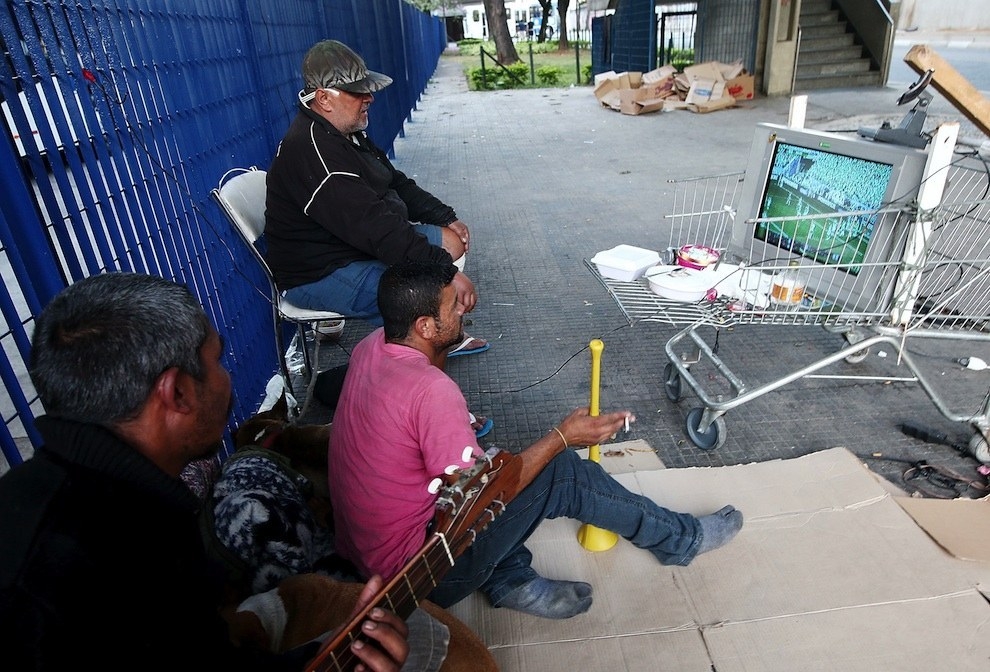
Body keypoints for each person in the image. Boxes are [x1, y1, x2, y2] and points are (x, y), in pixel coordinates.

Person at [0, 272, 409, 671]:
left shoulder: (94, 501)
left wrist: (323, 656)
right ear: (177, 392)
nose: (225, 378)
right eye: (217, 361)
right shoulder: (92, 571)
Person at [328, 261, 745, 620]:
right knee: (559, 472)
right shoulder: (430, 391)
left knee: (499, 459)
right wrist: (563, 437)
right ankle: (681, 540)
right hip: (416, 581)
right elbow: (481, 493)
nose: (463, 309)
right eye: (452, 306)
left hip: (368, 557)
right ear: (424, 326)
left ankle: (509, 579)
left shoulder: (371, 348)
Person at [265, 39, 488, 360]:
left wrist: (443, 215)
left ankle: (432, 332)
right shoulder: (315, 153)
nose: (369, 97)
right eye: (357, 92)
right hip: (317, 273)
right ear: (324, 99)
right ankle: (425, 353)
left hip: (350, 246)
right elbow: (377, 230)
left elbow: (393, 180)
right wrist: (445, 275)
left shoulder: (343, 131)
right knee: (424, 297)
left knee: (451, 242)